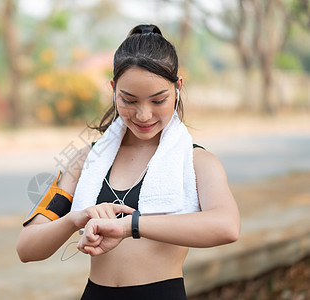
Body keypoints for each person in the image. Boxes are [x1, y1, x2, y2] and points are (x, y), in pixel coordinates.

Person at [16, 24, 240, 300]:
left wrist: (129, 226)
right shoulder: (87, 159)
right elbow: (26, 247)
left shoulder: (197, 162)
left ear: (178, 87)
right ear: (113, 89)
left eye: (158, 100)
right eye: (129, 100)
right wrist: (77, 218)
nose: (143, 115)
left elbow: (227, 226)